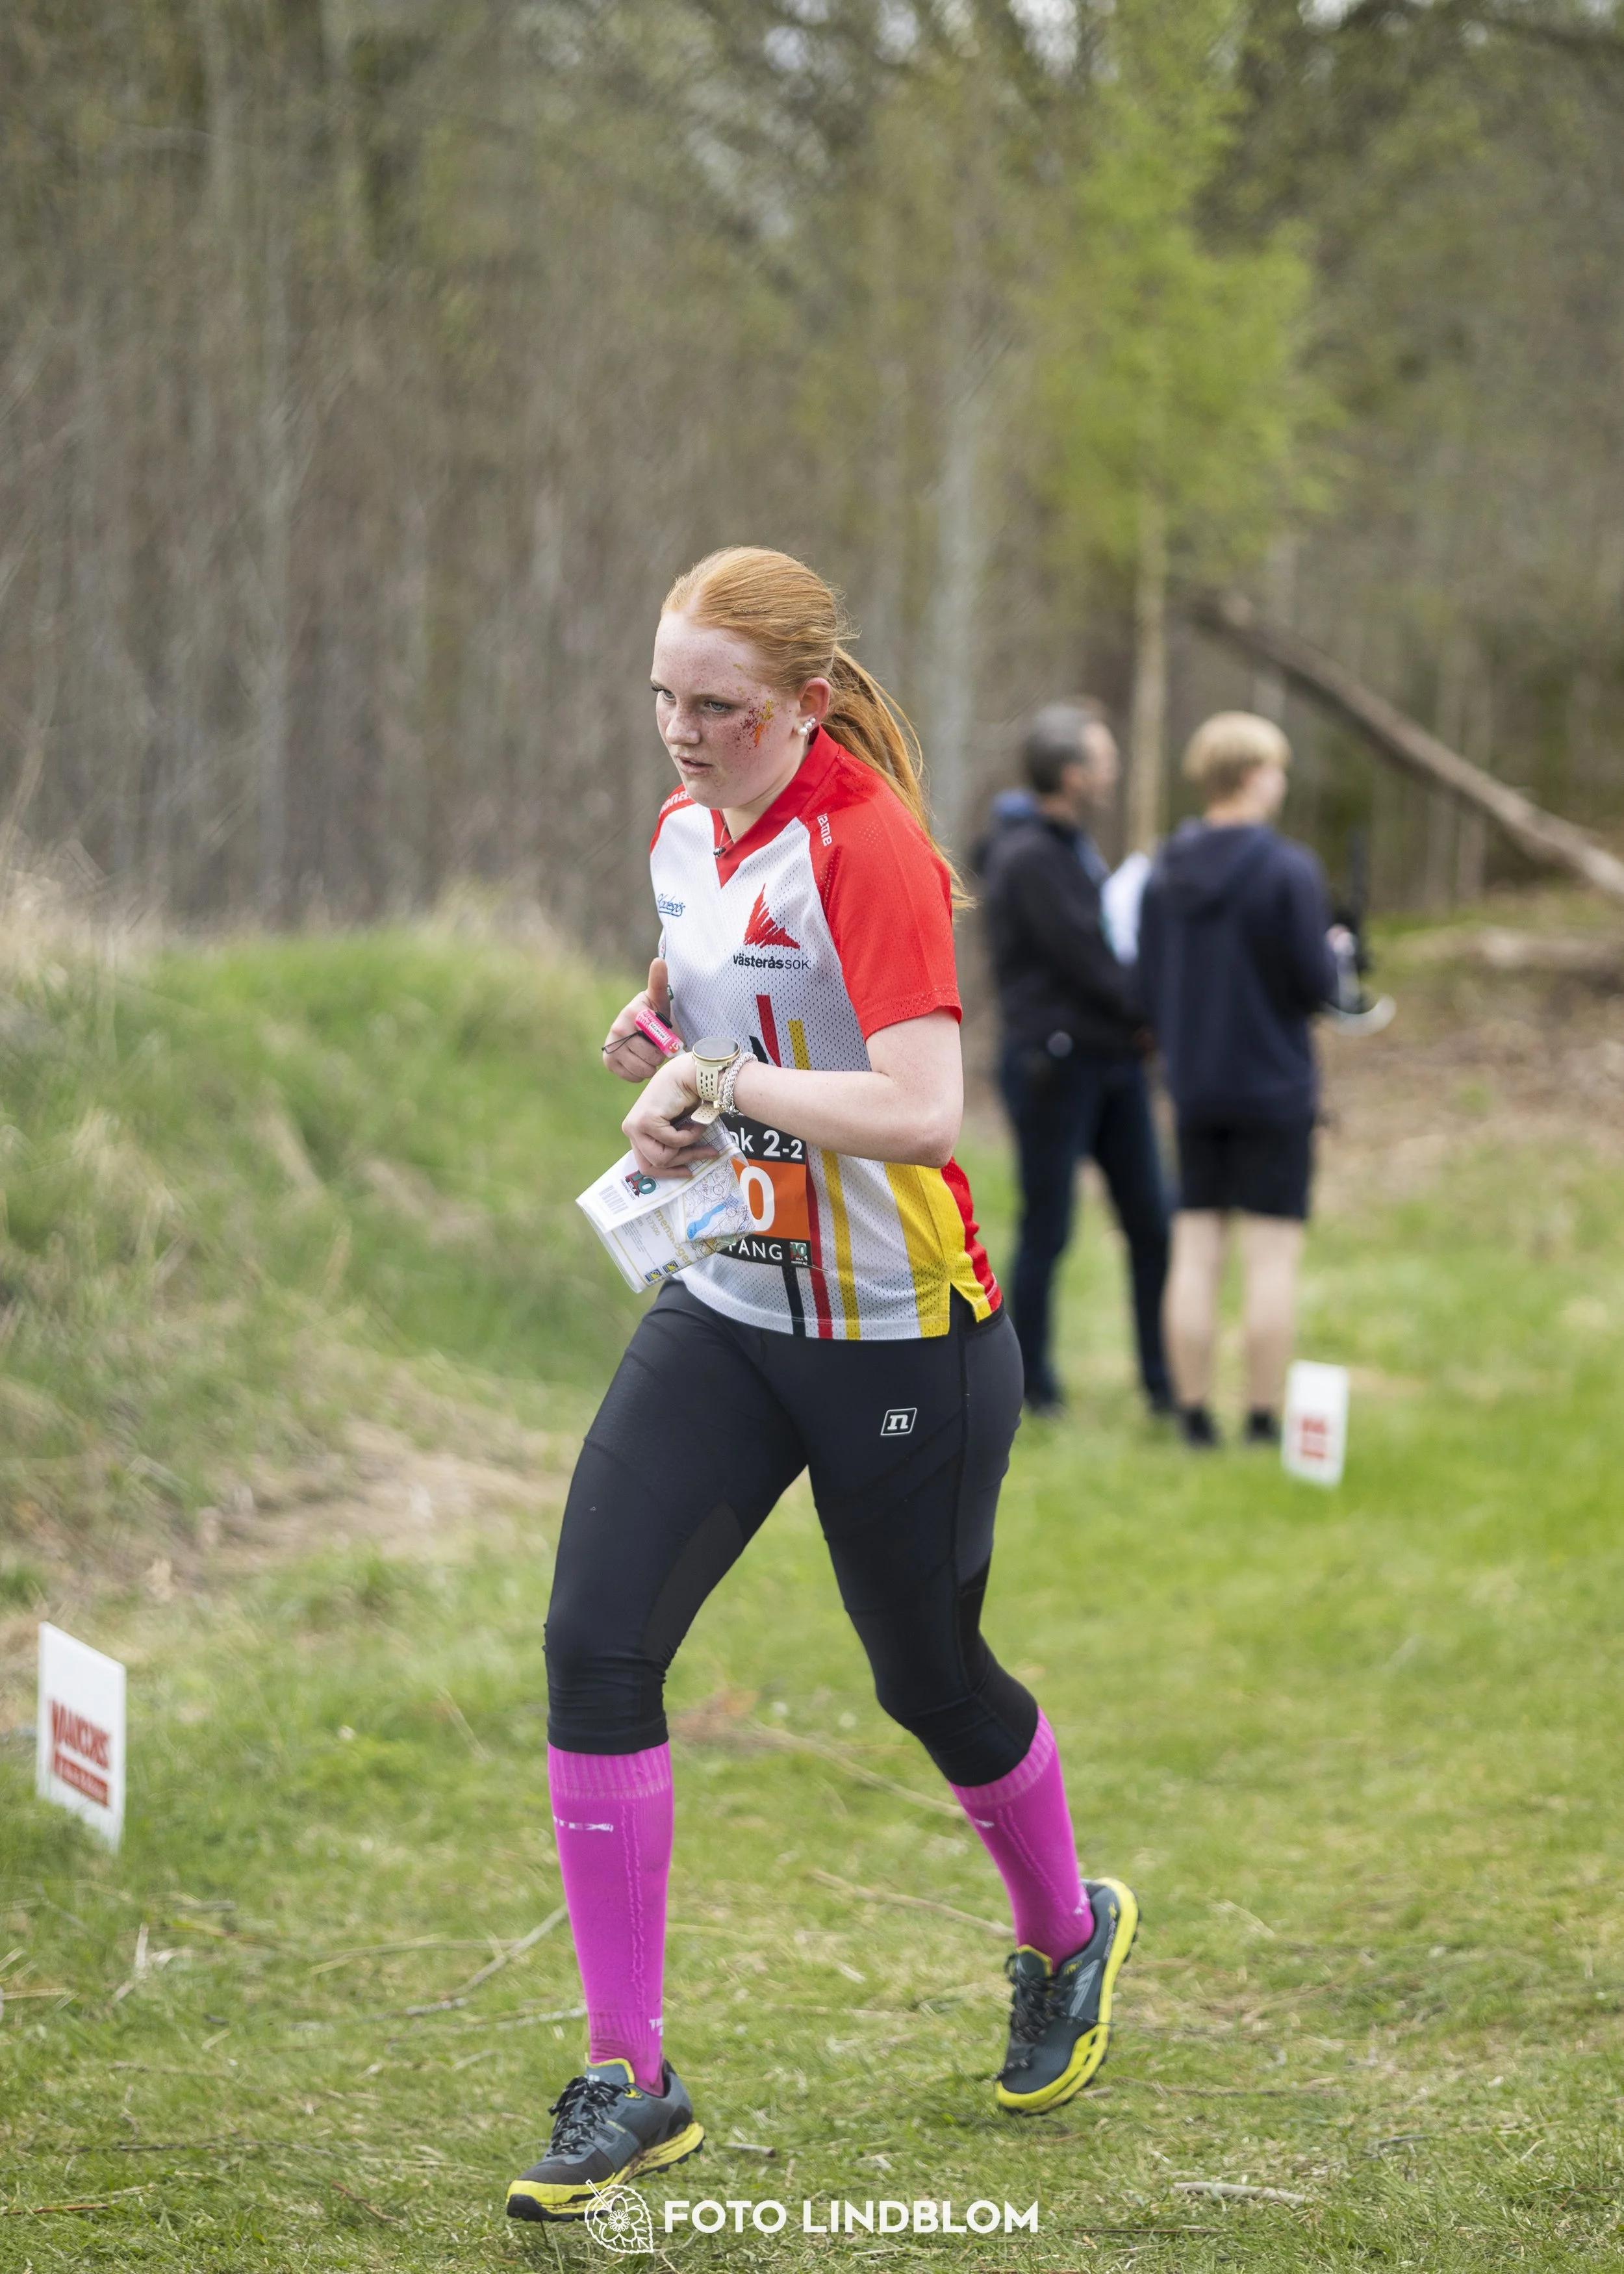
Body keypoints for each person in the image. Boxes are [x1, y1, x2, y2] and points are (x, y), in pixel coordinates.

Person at [507, 550, 1138, 2223]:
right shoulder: (681, 827)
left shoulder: (869, 847)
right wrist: (661, 1071)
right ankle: (630, 2075)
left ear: (805, 702)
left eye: (718, 706)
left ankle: (1068, 1932)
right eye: (664, 697)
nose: (683, 730)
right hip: (725, 1302)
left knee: (927, 1680)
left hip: (898, 1334)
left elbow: (924, 1106)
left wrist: (726, 1076)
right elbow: (699, 1002)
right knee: (595, 1642)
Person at [1136, 712, 1343, 1451]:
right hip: (1275, 1086)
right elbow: (1317, 984)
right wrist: (1335, 953)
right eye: (1276, 768)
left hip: (1194, 1086)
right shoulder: (1288, 869)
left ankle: (1193, 1418)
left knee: (1194, 1248)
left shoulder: (1163, 869)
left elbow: (1149, 983)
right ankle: (1260, 1420)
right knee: (1271, 1253)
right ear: (1255, 774)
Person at [979, 702, 1172, 1418]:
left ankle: (1163, 1381)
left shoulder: (1068, 846)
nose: (1113, 770)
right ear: (1072, 774)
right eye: (1104, 757)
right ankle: (1031, 1386)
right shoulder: (1029, 857)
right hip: (1054, 1069)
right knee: (1047, 1228)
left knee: (1152, 1220)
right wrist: (1153, 1011)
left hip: (1113, 1062)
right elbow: (1089, 962)